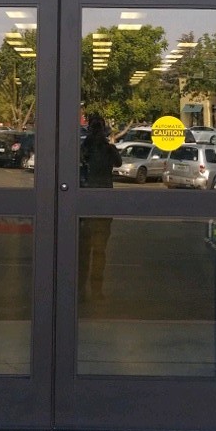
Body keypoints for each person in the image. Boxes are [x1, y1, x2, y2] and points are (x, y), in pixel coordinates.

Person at [78, 113, 120, 300]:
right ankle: (87, 290)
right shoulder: (88, 148)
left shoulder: (101, 149)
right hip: (91, 204)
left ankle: (91, 289)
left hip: (95, 204)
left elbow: (118, 162)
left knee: (92, 251)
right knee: (89, 250)